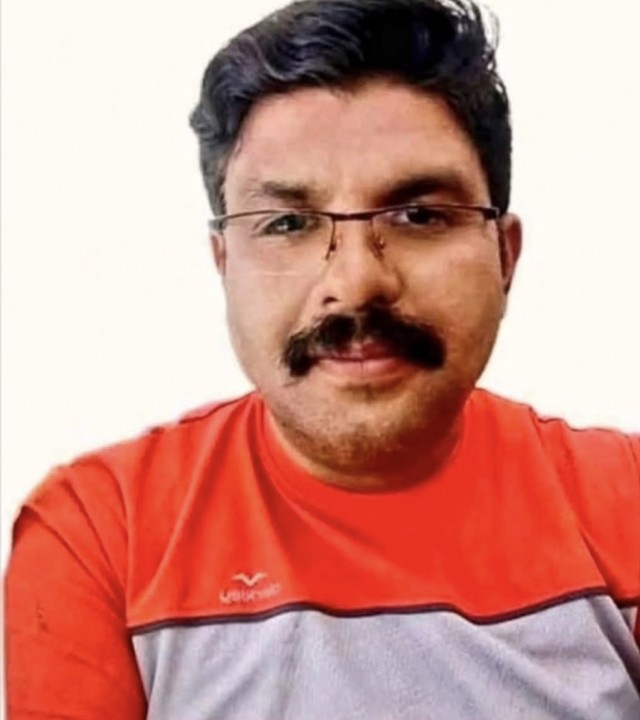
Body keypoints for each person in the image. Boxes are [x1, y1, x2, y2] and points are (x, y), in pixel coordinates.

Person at [5, 0, 639, 717]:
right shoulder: (102, 532)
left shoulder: (628, 507)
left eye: (419, 215)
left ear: (505, 256)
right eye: (287, 223)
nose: (357, 281)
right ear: (224, 263)